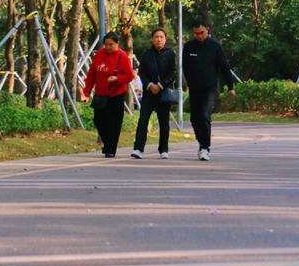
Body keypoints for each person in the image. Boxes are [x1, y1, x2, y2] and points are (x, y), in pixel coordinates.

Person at [182, 18, 235, 161]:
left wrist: (230, 87)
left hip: (209, 88)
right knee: (194, 118)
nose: (199, 36)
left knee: (205, 115)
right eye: (196, 33)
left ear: (207, 30)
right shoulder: (188, 47)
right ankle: (201, 141)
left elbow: (224, 67)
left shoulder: (215, 47)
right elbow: (185, 67)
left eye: (201, 33)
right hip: (195, 89)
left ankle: (205, 148)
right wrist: (190, 82)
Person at [81, 31, 134, 157]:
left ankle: (110, 149)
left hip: (116, 94)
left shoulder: (123, 56)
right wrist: (87, 88)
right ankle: (107, 142)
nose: (108, 47)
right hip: (101, 93)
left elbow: (129, 75)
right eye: (106, 44)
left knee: (113, 123)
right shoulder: (99, 54)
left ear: (117, 44)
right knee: (99, 120)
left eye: (111, 44)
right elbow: (92, 72)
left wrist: (118, 79)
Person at [131, 26, 176, 160]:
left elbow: (173, 72)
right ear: (152, 39)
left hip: (163, 93)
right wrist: (150, 85)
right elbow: (142, 72)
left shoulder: (170, 54)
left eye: (161, 37)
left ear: (165, 39)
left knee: (164, 122)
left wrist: (160, 85)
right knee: (143, 120)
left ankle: (164, 149)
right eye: (156, 37)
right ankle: (138, 148)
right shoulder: (147, 53)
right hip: (149, 93)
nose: (159, 39)